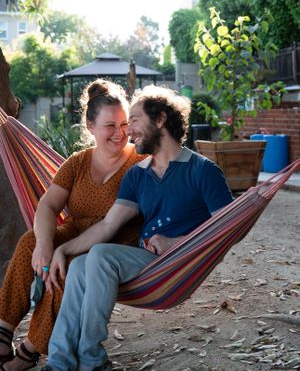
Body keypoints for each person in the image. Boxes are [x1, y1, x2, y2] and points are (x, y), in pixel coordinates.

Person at [41, 85, 234, 371]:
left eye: (133, 120)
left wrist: (175, 243)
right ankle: (59, 363)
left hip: (178, 263)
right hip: (148, 264)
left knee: (100, 256)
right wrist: (62, 249)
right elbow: (108, 225)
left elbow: (229, 228)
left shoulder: (202, 171)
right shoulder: (137, 176)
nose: (127, 132)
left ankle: (91, 359)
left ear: (159, 121)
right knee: (81, 264)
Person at [0, 79, 147, 371]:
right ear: (91, 127)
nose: (120, 133)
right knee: (30, 241)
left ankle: (30, 350)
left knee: (65, 266)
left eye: (124, 124)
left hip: (111, 243)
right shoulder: (78, 162)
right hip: (74, 230)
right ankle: (3, 333)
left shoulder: (140, 163)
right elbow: (47, 205)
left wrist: (59, 251)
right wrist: (44, 245)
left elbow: (116, 222)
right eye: (110, 126)